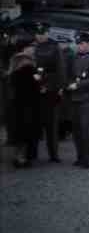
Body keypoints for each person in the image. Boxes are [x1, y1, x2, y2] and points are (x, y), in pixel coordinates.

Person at [65, 33, 89, 168]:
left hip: (88, 99)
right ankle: (81, 157)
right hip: (75, 98)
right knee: (76, 131)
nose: (79, 46)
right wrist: (69, 83)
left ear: (88, 44)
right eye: (78, 44)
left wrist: (78, 85)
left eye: (81, 44)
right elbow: (69, 74)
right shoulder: (74, 58)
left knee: (86, 130)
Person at [33, 22, 66, 163]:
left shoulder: (54, 47)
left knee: (51, 124)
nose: (40, 36)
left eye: (42, 33)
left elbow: (60, 70)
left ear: (47, 33)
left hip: (50, 90)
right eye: (38, 33)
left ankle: (53, 153)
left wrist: (53, 86)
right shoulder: (32, 48)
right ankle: (32, 153)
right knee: (34, 123)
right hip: (34, 90)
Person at [8, 39, 39, 168]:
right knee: (25, 131)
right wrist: (37, 80)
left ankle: (17, 157)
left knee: (19, 131)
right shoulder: (26, 64)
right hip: (26, 103)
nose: (34, 49)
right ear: (25, 48)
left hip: (16, 102)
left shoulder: (15, 61)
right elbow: (28, 86)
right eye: (32, 46)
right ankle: (21, 159)